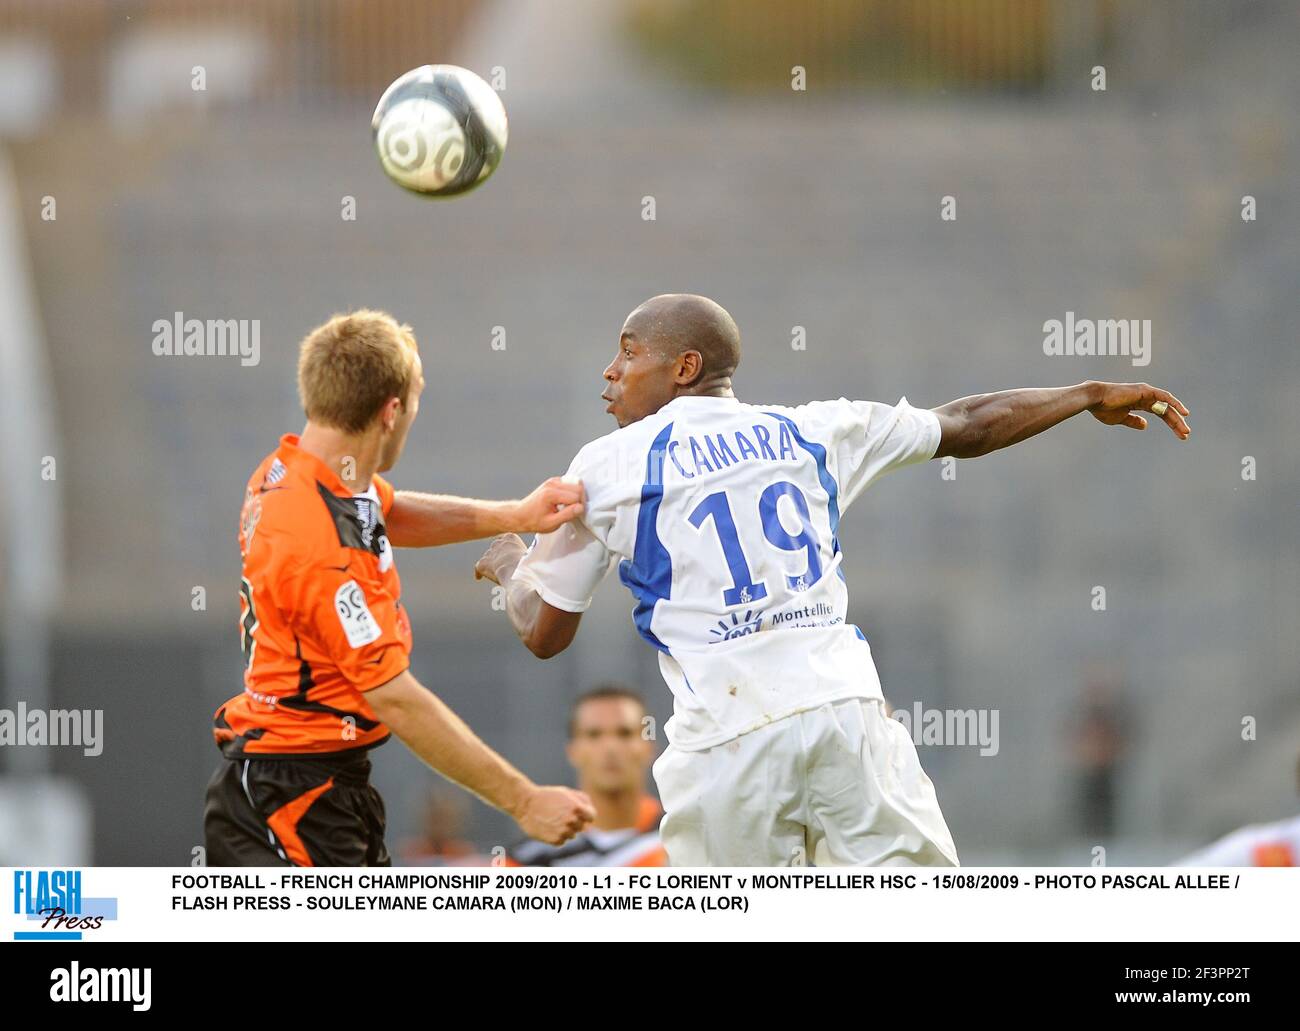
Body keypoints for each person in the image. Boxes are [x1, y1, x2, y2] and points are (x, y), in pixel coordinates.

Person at [474, 293, 1190, 867]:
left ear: (685, 366)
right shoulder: (816, 429)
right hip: (843, 715)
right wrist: (1087, 391)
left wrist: (510, 560)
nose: (611, 370)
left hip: (728, 743)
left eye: (629, 353)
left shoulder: (605, 465)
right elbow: (969, 423)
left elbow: (543, 630)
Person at [204, 309, 595, 867]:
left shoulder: (304, 467)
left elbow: (386, 511)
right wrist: (524, 800)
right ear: (392, 411)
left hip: (320, 786)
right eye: (414, 402)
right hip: (289, 802)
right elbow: (394, 697)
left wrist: (517, 514)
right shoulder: (320, 543)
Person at [506, 685, 667, 867]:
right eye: (594, 735)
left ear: (649, 747)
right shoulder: (529, 857)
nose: (610, 747)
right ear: (573, 751)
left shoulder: (683, 835)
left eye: (625, 733)